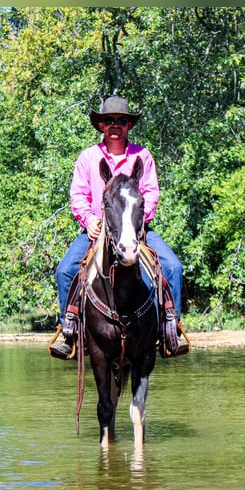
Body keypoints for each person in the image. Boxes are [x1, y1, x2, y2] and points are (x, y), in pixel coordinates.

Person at [50, 95, 189, 359]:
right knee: (65, 270)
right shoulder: (88, 157)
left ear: (128, 126)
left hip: (137, 231)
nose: (115, 125)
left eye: (121, 121)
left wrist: (135, 225)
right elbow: (78, 195)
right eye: (109, 120)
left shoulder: (142, 156)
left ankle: (172, 329)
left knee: (173, 267)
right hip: (97, 230)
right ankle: (69, 330)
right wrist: (89, 221)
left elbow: (150, 193)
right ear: (101, 125)